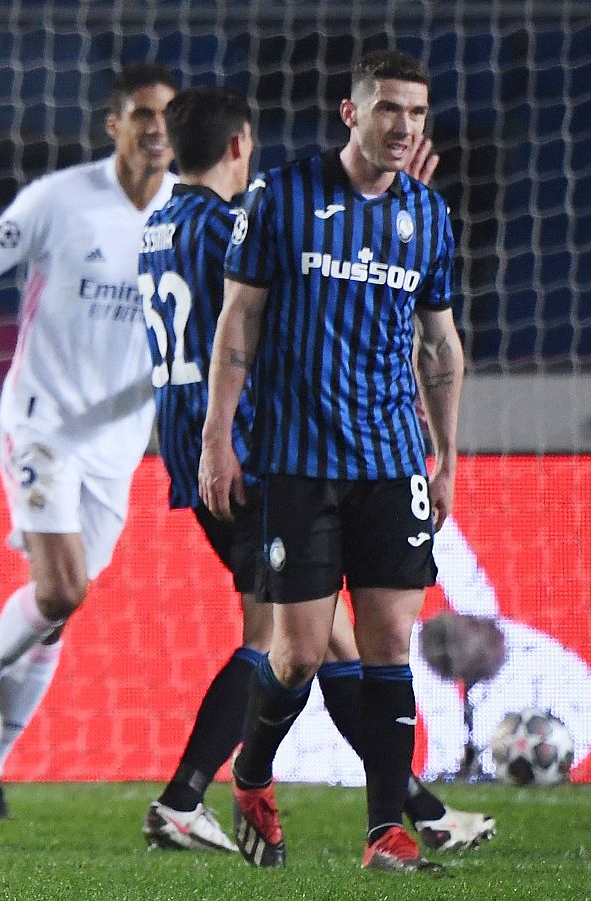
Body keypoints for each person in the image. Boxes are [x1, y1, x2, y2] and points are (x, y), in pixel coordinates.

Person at [138, 85, 493, 856]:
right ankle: (187, 794)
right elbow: (266, 303)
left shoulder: (160, 223)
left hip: (188, 430)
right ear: (240, 145)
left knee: (328, 644)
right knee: (284, 638)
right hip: (260, 445)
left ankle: (408, 809)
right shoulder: (232, 220)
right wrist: (382, 222)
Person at [0, 63, 178, 820]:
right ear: (114, 124)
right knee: (63, 586)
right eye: (141, 114)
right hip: (40, 423)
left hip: (119, 444)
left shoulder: (194, 215)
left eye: (167, 117)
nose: (155, 129)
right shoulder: (60, 201)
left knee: (56, 605)